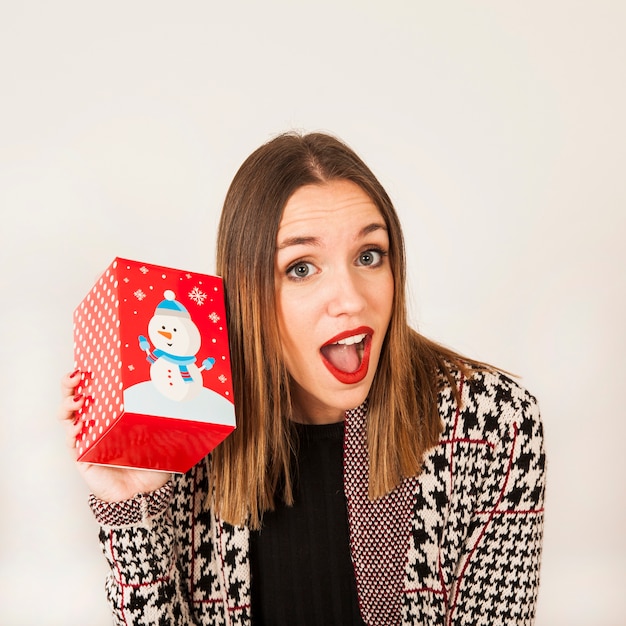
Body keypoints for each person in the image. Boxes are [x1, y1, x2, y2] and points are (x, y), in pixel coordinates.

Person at [59, 131, 546, 626]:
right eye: (301, 268)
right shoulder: (190, 425)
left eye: (368, 255)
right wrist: (132, 507)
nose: (351, 298)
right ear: (248, 292)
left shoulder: (494, 424)